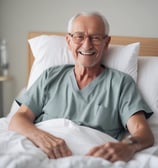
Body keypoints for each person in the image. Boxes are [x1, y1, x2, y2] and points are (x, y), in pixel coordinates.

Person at [8, 12, 154, 162]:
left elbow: (143, 132)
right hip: (39, 149)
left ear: (106, 42)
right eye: (79, 36)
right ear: (69, 40)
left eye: (95, 37)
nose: (87, 44)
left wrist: (127, 146)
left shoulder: (120, 83)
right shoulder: (50, 76)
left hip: (89, 155)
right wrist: (42, 138)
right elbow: (19, 118)